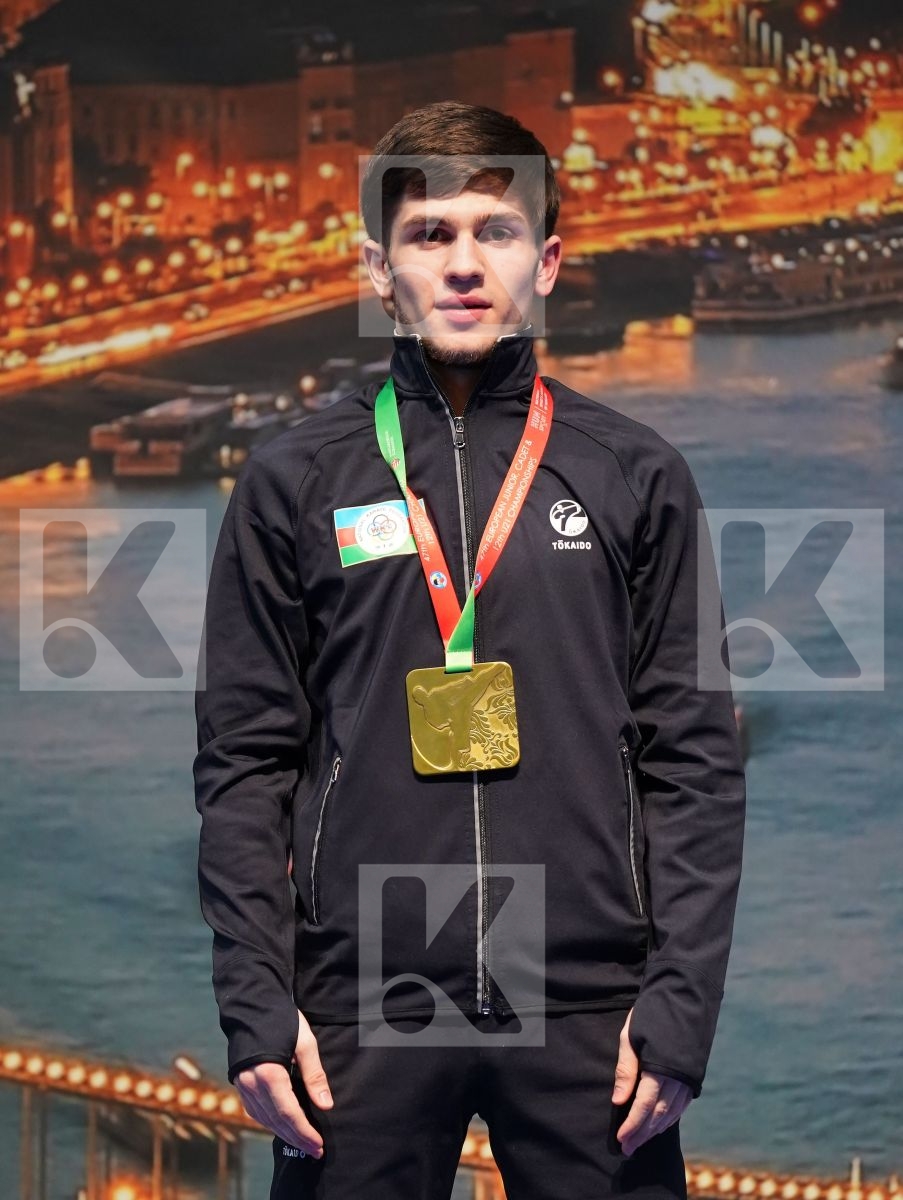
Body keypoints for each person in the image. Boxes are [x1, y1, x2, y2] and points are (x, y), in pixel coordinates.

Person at [193, 99, 746, 1200]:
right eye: (428, 234)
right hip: (360, 1014)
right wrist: (259, 1007)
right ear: (377, 268)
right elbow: (244, 764)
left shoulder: (635, 476)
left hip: (592, 1013)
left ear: (546, 259)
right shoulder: (292, 484)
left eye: (493, 232)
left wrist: (679, 1008)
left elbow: (693, 758)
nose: (462, 263)